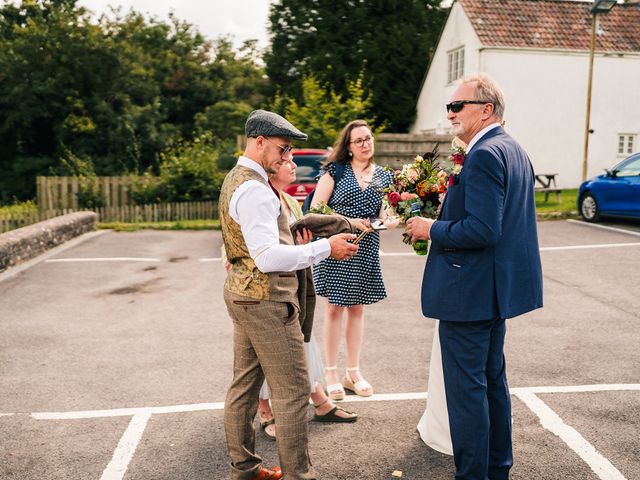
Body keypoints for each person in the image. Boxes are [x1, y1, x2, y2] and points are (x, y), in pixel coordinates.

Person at [406, 74, 543, 480]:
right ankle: (496, 469)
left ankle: (474, 475)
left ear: (486, 110)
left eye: (457, 106)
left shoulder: (485, 154)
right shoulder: (513, 149)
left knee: (467, 394)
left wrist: (429, 228)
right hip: (494, 291)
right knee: (491, 384)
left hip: (470, 293)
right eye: (449, 106)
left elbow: (484, 230)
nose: (449, 114)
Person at [220, 109, 358, 480]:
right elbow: (267, 258)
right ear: (259, 141)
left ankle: (245, 470)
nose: (286, 158)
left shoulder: (237, 178)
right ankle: (300, 475)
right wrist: (326, 247)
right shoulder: (253, 189)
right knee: (294, 392)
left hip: (242, 295)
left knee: (244, 387)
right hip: (265, 300)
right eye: (282, 150)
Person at [253, 159, 360, 440]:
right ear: (270, 169)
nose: (294, 164)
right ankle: (265, 409)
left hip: (295, 284)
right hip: (265, 290)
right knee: (267, 350)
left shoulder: (289, 199)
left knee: (303, 341)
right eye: (287, 160)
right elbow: (251, 245)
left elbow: (295, 244)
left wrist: (305, 244)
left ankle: (320, 400)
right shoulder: (258, 196)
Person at [311, 119, 399, 401]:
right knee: (335, 307)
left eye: (368, 138)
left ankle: (353, 372)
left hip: (366, 248)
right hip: (337, 245)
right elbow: (316, 208)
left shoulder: (385, 176)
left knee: (358, 309)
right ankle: (331, 373)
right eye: (359, 140)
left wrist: (384, 223)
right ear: (348, 147)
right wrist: (348, 221)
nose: (365, 144)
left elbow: (388, 217)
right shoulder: (334, 170)